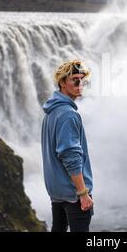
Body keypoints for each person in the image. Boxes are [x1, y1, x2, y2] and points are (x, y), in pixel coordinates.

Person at [41, 60, 94, 232]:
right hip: (74, 194)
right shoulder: (68, 115)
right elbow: (70, 156)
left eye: (82, 80)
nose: (80, 85)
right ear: (62, 82)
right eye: (75, 80)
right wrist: (83, 193)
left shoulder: (51, 112)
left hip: (57, 193)